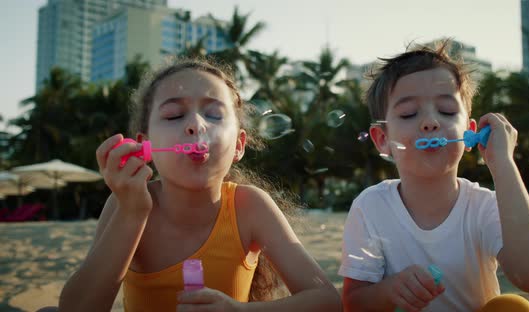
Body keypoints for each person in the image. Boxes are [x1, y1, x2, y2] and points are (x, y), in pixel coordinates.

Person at [58, 57, 341, 311]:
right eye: (173, 115)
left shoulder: (250, 207)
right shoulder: (126, 203)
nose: (195, 124)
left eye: (214, 115)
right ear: (145, 145)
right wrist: (132, 213)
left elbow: (326, 301)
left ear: (239, 146)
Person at [339, 41, 529, 312]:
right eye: (408, 113)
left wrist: (503, 164)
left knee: (513, 306)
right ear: (383, 139)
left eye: (447, 111)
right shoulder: (370, 207)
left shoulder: (483, 206)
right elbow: (353, 303)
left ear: (470, 132)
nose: (430, 121)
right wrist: (389, 290)